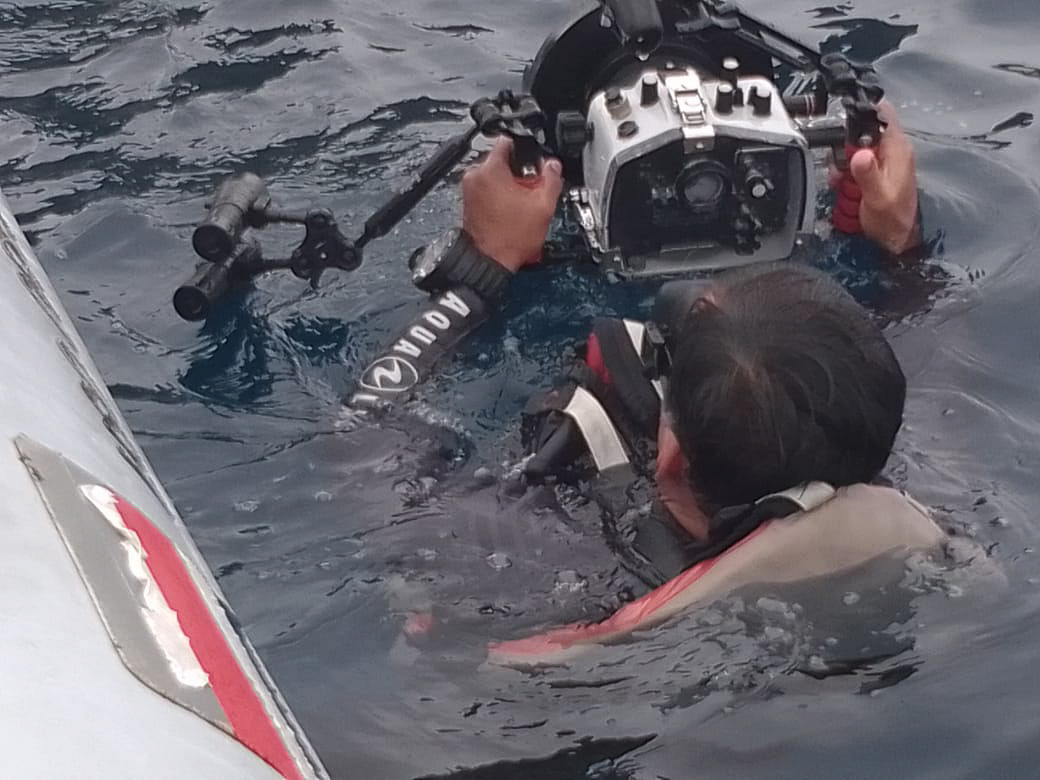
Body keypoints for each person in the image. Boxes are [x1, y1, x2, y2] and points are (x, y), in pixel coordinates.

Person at [352, 104, 947, 661]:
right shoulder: (932, 493)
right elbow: (932, 354)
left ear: (672, 457)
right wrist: (901, 250)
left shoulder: (537, 559)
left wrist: (479, 272)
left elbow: (357, 438)